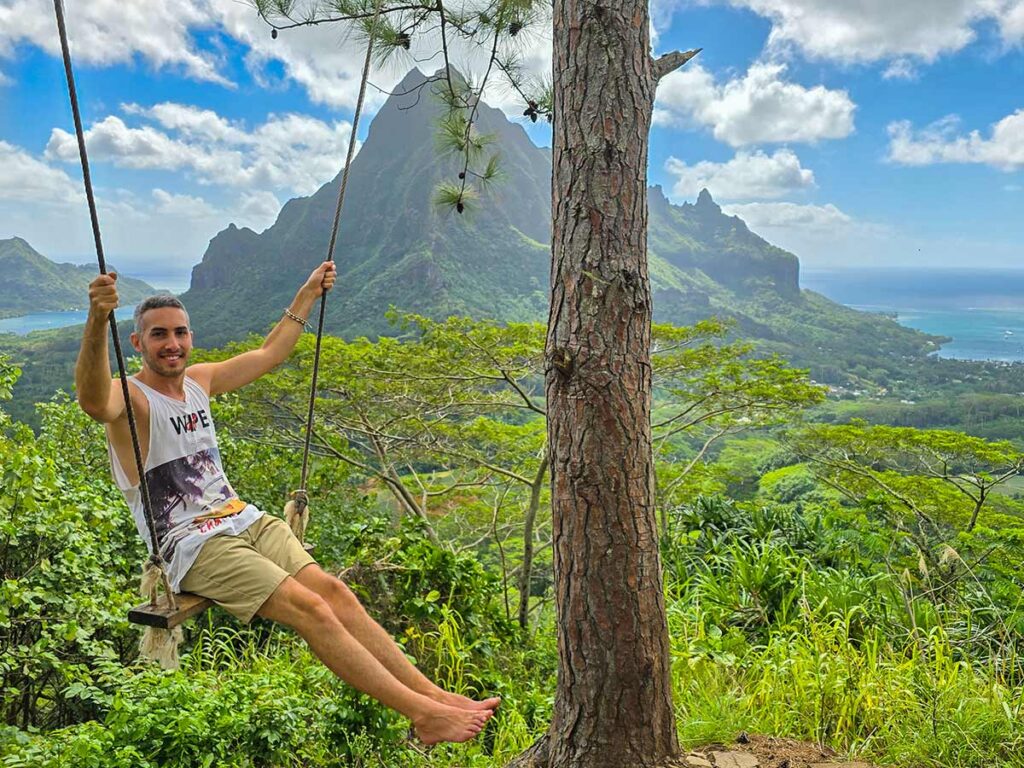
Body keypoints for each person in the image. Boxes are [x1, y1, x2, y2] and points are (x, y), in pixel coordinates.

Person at [75, 263, 498, 745]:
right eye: (158, 335)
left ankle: (434, 695)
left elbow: (270, 353)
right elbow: (92, 401)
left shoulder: (200, 383)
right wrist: (95, 320)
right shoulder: (132, 399)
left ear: (191, 337)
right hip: (191, 544)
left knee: (336, 593)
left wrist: (306, 296)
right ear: (137, 344)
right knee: (311, 608)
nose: (171, 343)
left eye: (179, 332)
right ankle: (421, 714)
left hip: (243, 519)